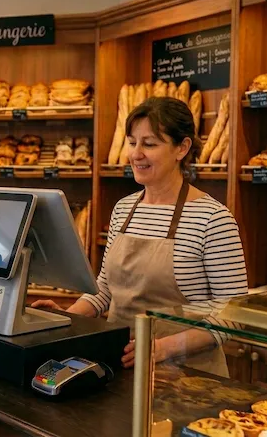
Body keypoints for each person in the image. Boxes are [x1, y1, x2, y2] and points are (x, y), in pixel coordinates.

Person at [32, 97, 248, 376]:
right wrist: (66, 317)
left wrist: (163, 348)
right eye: (132, 142)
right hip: (121, 364)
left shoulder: (212, 219)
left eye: (149, 144)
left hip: (188, 376)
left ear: (182, 148)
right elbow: (106, 291)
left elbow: (233, 316)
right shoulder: (124, 209)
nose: (135, 154)